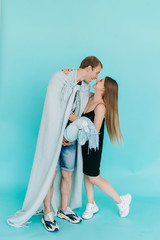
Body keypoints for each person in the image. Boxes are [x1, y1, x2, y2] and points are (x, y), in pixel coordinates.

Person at [69, 77, 132, 220]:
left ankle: (121, 201)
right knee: (87, 174)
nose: (97, 81)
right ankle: (91, 204)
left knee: (94, 177)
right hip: (84, 144)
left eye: (100, 81)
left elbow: (94, 132)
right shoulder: (90, 97)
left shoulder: (100, 106)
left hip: (93, 147)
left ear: (104, 89)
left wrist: (76, 121)